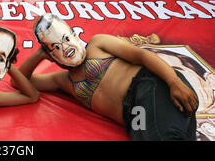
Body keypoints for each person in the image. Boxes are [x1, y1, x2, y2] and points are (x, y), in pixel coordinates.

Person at [18, 14, 199, 140]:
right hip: (135, 117)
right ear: (51, 56)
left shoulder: (97, 44)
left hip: (149, 87)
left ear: (74, 35)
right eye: (55, 48)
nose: (65, 48)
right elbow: (19, 82)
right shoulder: (63, 81)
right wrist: (39, 54)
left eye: (66, 39)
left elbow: (141, 56)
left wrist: (174, 82)